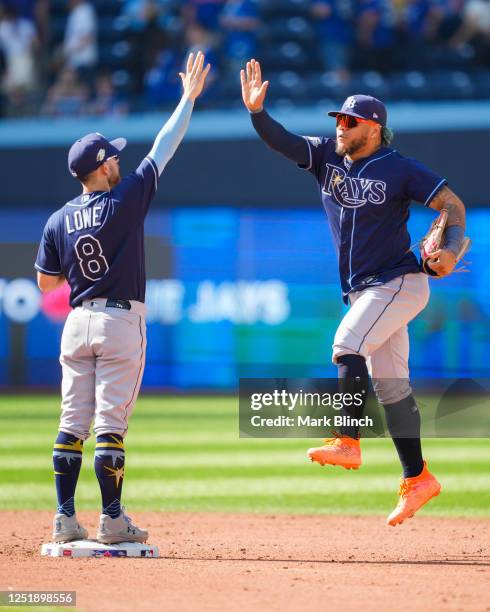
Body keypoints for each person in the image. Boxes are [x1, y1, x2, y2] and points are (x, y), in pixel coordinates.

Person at [240, 59, 467, 526]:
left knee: (346, 345)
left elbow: (452, 203)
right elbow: (283, 143)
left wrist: (446, 246)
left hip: (398, 280)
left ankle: (347, 439)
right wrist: (258, 114)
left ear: (375, 128)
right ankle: (418, 477)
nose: (340, 126)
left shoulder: (398, 168)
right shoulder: (327, 157)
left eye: (350, 121)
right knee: (391, 388)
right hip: (366, 290)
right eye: (338, 119)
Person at [35, 51, 210, 544]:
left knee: (72, 424)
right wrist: (187, 100)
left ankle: (64, 519)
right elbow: (163, 147)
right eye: (113, 156)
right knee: (110, 425)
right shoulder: (126, 196)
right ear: (103, 167)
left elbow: (47, 284)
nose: (119, 159)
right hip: (119, 321)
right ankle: (113, 520)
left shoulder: (57, 219)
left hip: (77, 322)